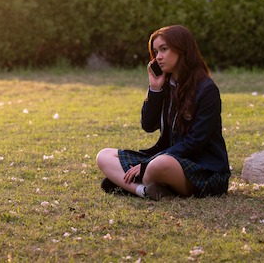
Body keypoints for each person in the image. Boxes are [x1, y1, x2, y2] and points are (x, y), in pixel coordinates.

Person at [96, 25, 231, 200]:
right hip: (168, 157)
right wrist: (155, 89)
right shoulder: (165, 85)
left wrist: (147, 164)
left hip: (204, 168)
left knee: (158, 164)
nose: (158, 57)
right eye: (155, 51)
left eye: (164, 49)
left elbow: (195, 142)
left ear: (182, 49)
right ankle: (143, 191)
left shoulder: (207, 89)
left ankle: (129, 183)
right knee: (104, 156)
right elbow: (148, 125)